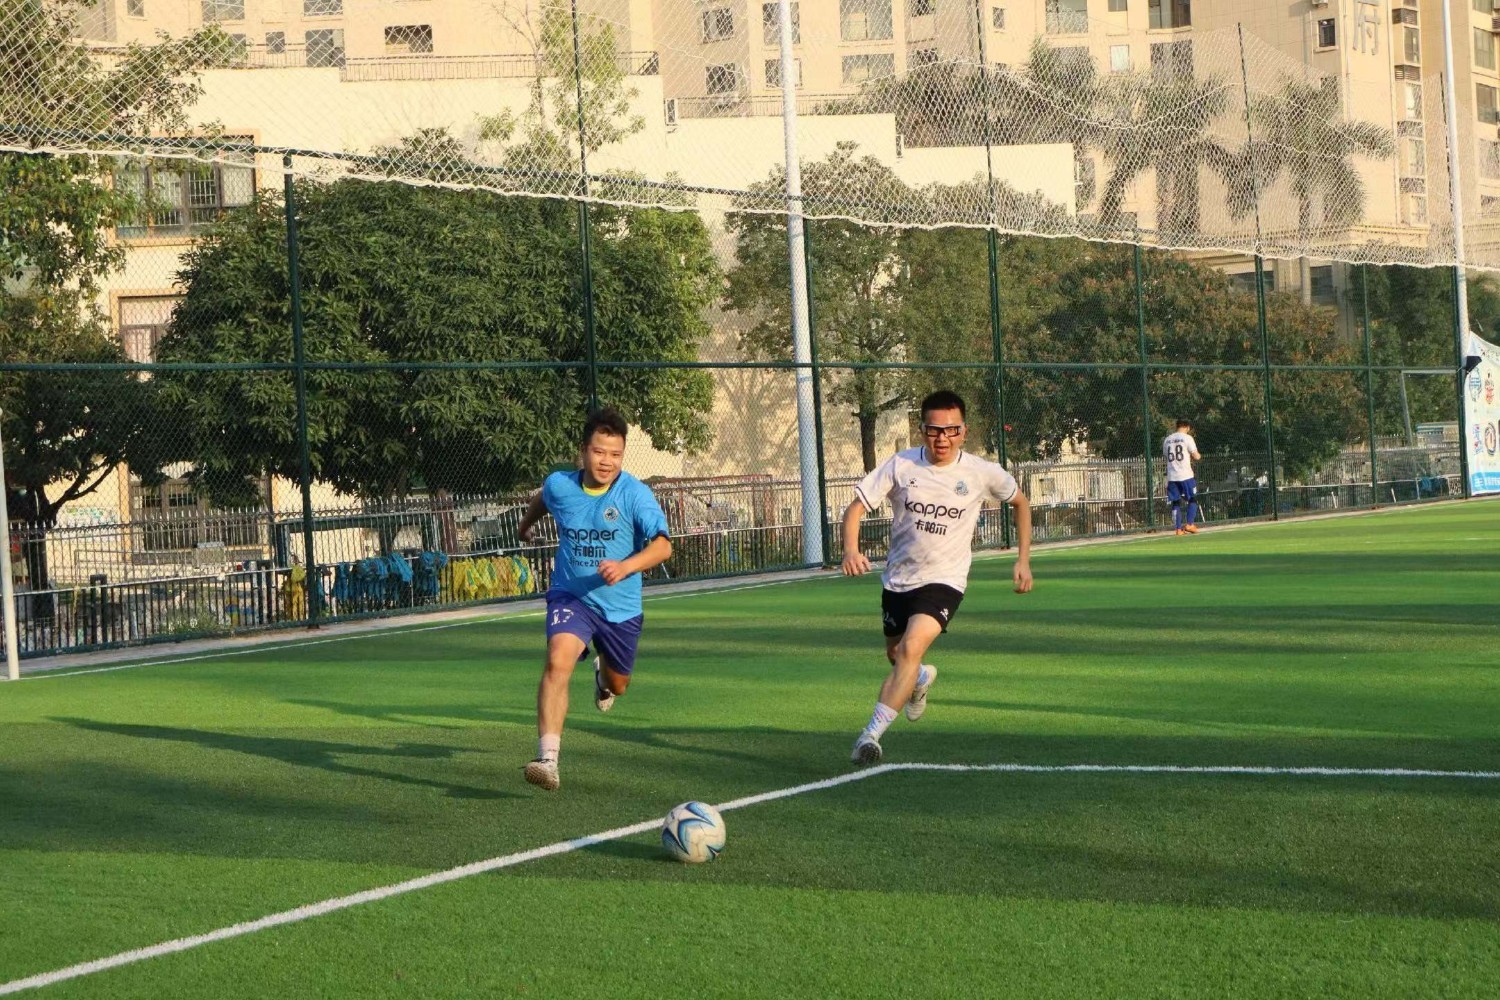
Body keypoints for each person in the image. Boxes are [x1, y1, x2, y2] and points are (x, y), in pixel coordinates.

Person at [840, 390, 1033, 765]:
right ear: (922, 430)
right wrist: (850, 549)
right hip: (898, 580)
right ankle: (920, 679)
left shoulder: (980, 472)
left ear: (964, 431)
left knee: (910, 649)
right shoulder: (901, 465)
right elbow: (855, 509)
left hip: (945, 581)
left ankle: (870, 736)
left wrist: (1023, 560)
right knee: (897, 655)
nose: (942, 438)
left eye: (951, 430)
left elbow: (1020, 503)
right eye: (934, 430)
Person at [515, 407, 673, 791]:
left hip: (621, 608)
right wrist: (525, 525)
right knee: (558, 659)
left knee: (619, 685)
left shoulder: (634, 494)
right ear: (583, 451)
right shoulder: (560, 486)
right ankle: (547, 759)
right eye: (600, 452)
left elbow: (663, 546)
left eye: (615, 454)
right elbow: (543, 497)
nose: (607, 461)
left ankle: (602, 677)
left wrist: (626, 566)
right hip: (572, 596)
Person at [1162, 419, 1202, 535]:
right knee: (1192, 499)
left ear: (1177, 426)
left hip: (1172, 476)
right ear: (1187, 427)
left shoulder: (1167, 439)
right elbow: (1196, 456)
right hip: (1185, 475)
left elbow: (1166, 455)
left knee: (1175, 502)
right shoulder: (1187, 438)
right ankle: (1189, 524)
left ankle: (1178, 529)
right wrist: (1198, 456)